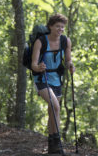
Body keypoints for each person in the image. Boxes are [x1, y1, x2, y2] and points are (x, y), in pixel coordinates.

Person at [31, 14, 75, 154]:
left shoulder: (65, 41)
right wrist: (39, 67)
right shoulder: (40, 41)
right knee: (55, 106)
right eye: (57, 26)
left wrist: (70, 65)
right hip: (41, 79)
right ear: (50, 26)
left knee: (53, 111)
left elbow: (67, 60)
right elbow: (33, 65)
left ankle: (52, 146)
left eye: (62, 27)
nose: (60, 29)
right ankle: (58, 143)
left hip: (56, 78)